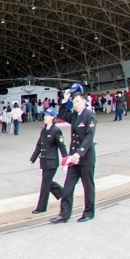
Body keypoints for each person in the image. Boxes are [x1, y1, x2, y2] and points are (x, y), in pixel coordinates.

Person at [52, 85, 97, 224]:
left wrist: (79, 153)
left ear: (84, 101)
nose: (76, 104)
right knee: (68, 187)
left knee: (88, 186)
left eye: (78, 101)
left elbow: (89, 137)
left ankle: (89, 212)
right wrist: (65, 100)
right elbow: (61, 114)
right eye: (74, 102)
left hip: (85, 158)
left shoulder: (90, 116)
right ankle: (64, 214)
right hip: (74, 159)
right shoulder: (75, 116)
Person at [29, 106, 66, 214]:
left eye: (47, 115)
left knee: (45, 184)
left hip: (52, 162)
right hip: (44, 161)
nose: (45, 117)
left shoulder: (56, 130)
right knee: (48, 182)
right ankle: (64, 194)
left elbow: (61, 146)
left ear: (52, 117)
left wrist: (66, 160)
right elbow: (39, 146)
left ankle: (41, 207)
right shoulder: (44, 131)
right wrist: (33, 159)